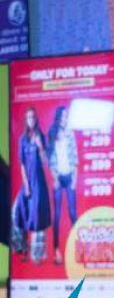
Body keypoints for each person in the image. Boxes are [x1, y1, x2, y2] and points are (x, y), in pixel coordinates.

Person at [11, 107, 51, 263]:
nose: (31, 120)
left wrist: (40, 147)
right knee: (16, 211)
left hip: (39, 183)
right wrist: (26, 185)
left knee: (37, 216)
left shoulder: (41, 136)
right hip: (28, 182)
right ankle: (20, 246)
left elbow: (46, 163)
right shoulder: (23, 139)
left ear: (36, 119)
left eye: (33, 117)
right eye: (28, 117)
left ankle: (37, 254)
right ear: (26, 120)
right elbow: (22, 164)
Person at [47, 106, 78, 265]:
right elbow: (50, 159)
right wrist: (55, 178)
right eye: (63, 116)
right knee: (57, 215)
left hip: (69, 176)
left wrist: (74, 179)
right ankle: (56, 251)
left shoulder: (70, 133)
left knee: (73, 212)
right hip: (58, 177)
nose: (65, 119)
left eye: (67, 117)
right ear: (58, 117)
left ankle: (77, 247)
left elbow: (75, 156)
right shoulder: (51, 133)